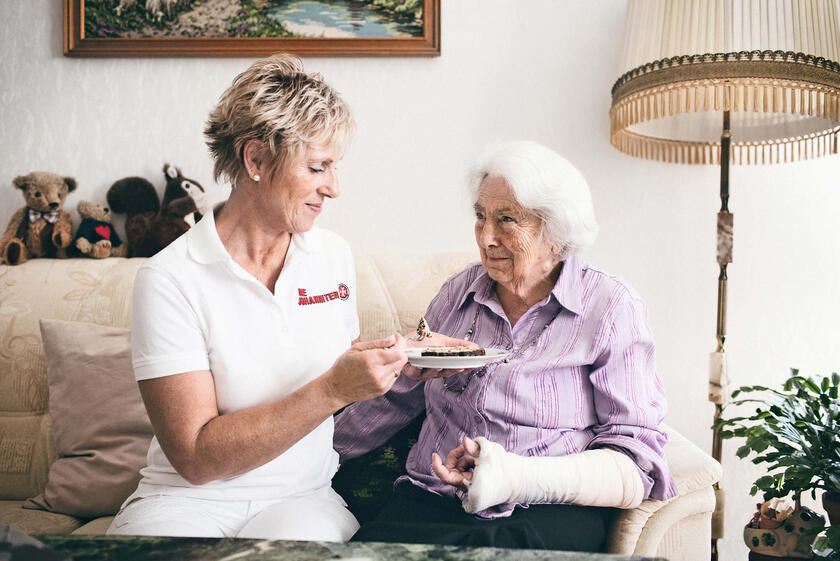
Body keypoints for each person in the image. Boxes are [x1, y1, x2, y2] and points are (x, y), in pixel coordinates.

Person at [107, 54, 464, 541]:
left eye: (334, 167)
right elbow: (193, 458)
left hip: (303, 498)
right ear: (255, 160)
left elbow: (334, 365)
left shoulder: (332, 255)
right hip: (185, 501)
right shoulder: (170, 279)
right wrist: (333, 389)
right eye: (317, 166)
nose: (333, 188)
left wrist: (401, 358)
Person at [334, 140, 678, 552]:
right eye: (480, 217)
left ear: (556, 231)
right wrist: (306, 453)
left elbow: (635, 454)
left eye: (506, 220)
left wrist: (515, 475)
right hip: (433, 498)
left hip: (546, 511)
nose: (486, 237)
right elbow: (396, 399)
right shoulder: (457, 294)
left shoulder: (609, 307)